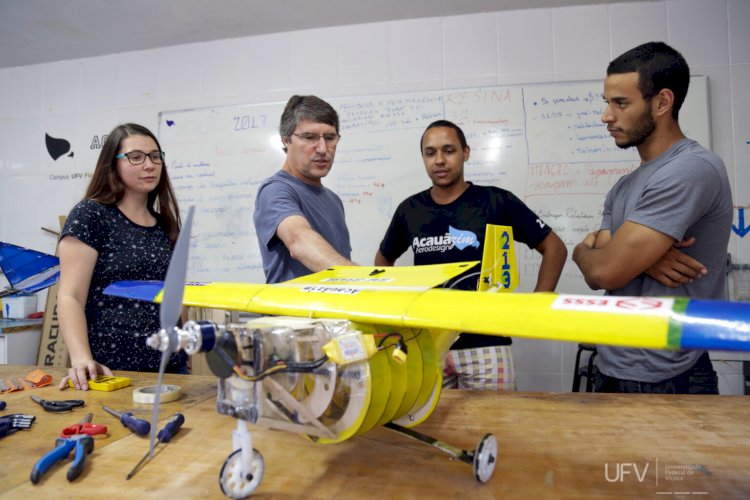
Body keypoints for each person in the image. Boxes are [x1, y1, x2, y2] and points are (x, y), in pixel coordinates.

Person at [572, 42, 732, 394]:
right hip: (612, 363)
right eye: (607, 103)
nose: (606, 116)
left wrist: (599, 252)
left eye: (621, 103)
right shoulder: (624, 186)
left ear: (661, 103)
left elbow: (601, 270)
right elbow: (599, 259)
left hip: (666, 377)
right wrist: (640, 259)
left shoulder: (691, 168)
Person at [375, 119, 568, 390]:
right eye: (431, 153)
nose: (439, 160)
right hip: (428, 346)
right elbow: (383, 259)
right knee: (431, 430)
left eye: (448, 150)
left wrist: (538, 303)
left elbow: (554, 247)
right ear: (423, 158)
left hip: (486, 345)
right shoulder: (410, 209)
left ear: (466, 152)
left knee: (493, 428)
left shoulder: (496, 201)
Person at [57, 123, 188, 390]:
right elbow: (70, 296)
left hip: (169, 368)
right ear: (112, 164)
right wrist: (82, 358)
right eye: (136, 157)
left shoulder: (165, 223)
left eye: (155, 156)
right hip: (112, 370)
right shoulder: (91, 215)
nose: (149, 165)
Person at [254, 95, 355, 284]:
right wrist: (363, 278)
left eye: (330, 137)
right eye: (309, 137)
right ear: (286, 141)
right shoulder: (275, 190)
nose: (323, 149)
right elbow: (299, 240)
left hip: (337, 312)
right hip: (295, 314)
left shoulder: (333, 200)